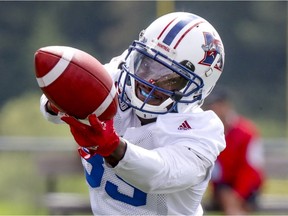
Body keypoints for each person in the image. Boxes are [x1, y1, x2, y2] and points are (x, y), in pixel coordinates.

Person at [40, 12, 225, 215]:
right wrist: (57, 104)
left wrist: (114, 147)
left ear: (197, 89)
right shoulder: (115, 79)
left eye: (170, 78)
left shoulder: (202, 131)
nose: (150, 80)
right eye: (147, 64)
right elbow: (53, 104)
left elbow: (161, 174)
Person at [202, 86, 265, 215]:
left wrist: (237, 196)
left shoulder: (247, 132)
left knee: (231, 204)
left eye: (215, 105)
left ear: (225, 105)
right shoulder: (207, 133)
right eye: (209, 106)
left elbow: (251, 169)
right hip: (222, 188)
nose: (211, 110)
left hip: (247, 189)